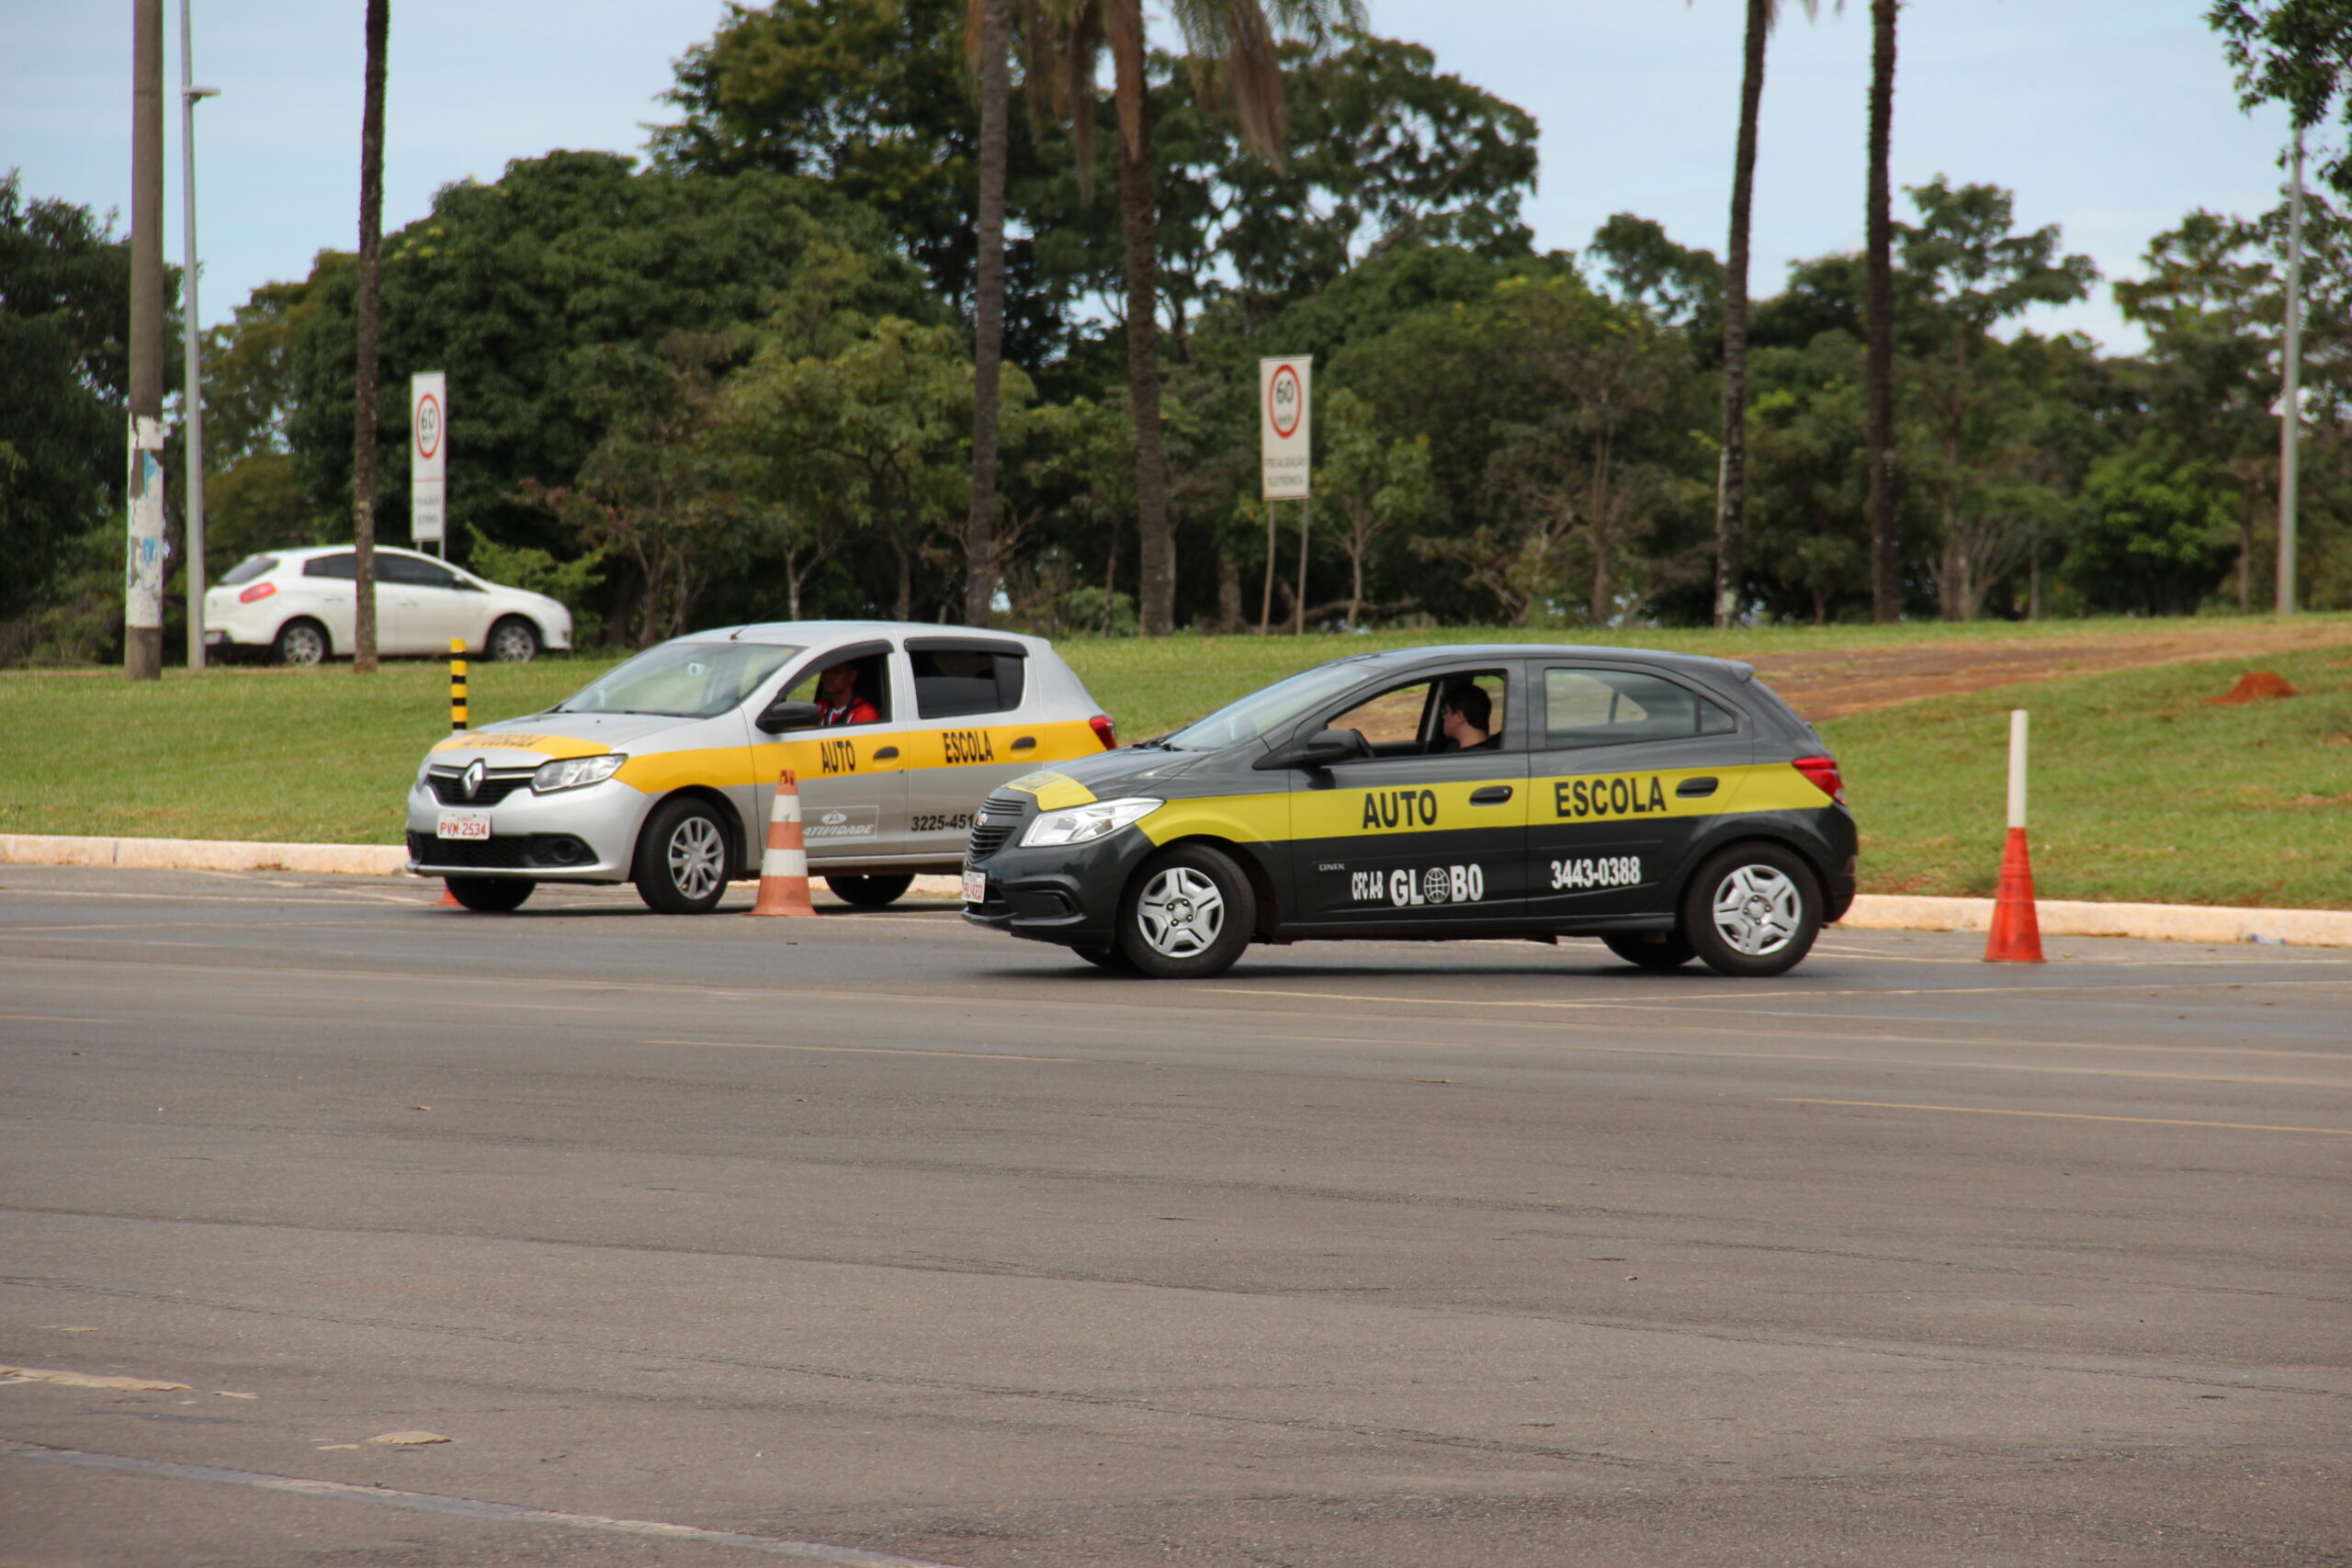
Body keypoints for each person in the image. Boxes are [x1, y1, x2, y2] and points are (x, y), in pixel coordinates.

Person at [1438, 683, 1498, 751]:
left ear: (1459, 716)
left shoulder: (1477, 757)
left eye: (1446, 712)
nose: (1443, 717)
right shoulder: (1492, 752)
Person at [817, 661, 879, 727]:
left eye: (836, 672)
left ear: (852, 676)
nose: (828, 677)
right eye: (825, 672)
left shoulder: (865, 713)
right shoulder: (819, 708)